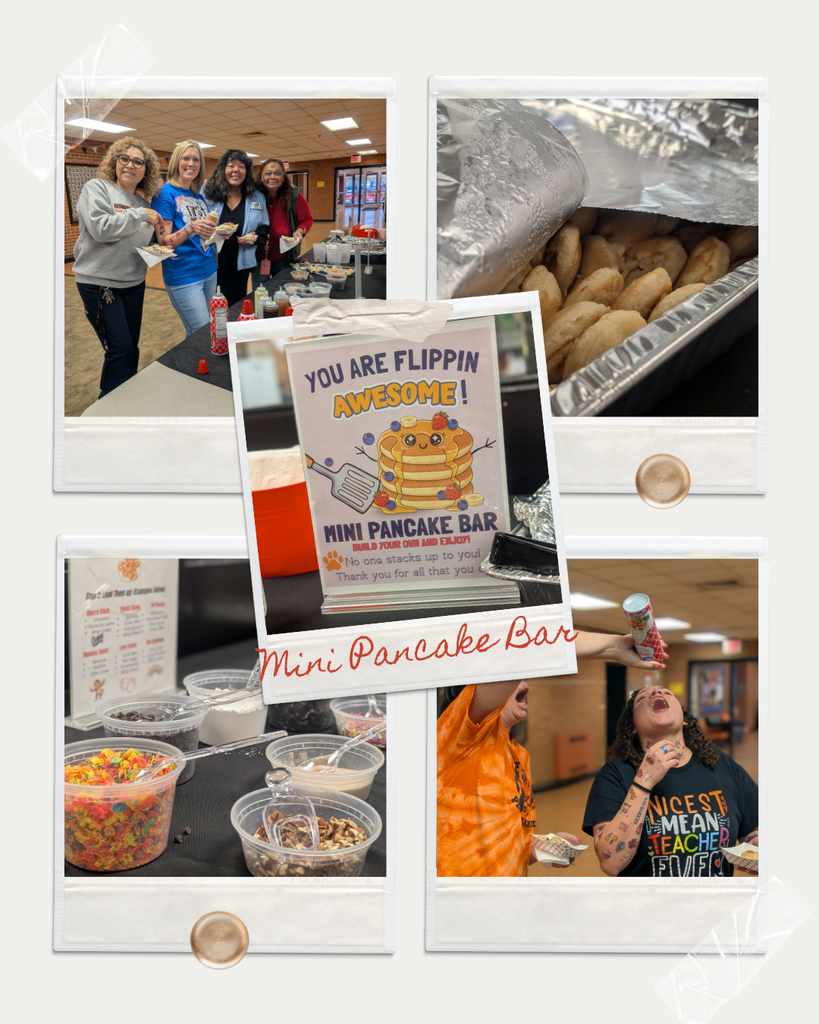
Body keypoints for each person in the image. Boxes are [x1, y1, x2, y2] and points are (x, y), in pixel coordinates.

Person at [437, 631, 669, 877]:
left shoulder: (518, 754)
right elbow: (513, 656)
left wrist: (544, 848)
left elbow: (505, 842)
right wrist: (614, 646)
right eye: (515, 678)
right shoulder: (459, 736)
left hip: (506, 900)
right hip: (460, 899)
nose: (525, 683)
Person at [583, 684, 758, 877]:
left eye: (667, 692)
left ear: (684, 720)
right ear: (632, 726)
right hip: (647, 905)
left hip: (714, 904)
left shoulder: (720, 764)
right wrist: (644, 780)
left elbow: (753, 829)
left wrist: (756, 841)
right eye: (642, 698)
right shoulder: (615, 773)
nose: (657, 692)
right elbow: (611, 863)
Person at [73, 136, 164, 399]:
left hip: (134, 283)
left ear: (146, 171)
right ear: (114, 161)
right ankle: (109, 405)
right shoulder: (97, 188)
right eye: (124, 159)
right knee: (120, 347)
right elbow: (102, 230)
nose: (130, 165)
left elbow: (137, 245)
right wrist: (139, 216)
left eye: (138, 162)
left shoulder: (145, 205)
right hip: (99, 282)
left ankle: (127, 395)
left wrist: (160, 251)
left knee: (131, 346)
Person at [151, 140, 218, 336]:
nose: (191, 163)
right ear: (176, 162)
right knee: (200, 332)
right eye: (186, 158)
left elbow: (201, 235)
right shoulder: (164, 194)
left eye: (196, 159)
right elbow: (164, 242)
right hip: (183, 275)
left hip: (208, 270)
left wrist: (216, 233)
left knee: (205, 330)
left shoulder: (198, 196)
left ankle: (202, 366)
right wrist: (190, 227)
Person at [202, 149, 269, 306]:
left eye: (241, 166)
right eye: (231, 165)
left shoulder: (257, 196)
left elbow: (265, 227)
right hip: (210, 263)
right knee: (212, 307)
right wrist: (216, 231)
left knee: (235, 305)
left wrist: (254, 239)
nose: (236, 170)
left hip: (241, 265)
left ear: (246, 172)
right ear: (223, 169)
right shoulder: (207, 193)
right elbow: (196, 224)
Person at [251, 158, 314, 291]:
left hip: (284, 257)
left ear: (283, 177)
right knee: (260, 293)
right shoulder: (252, 196)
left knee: (283, 294)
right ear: (261, 177)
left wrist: (300, 230)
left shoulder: (293, 196)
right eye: (268, 173)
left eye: (277, 173)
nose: (272, 177)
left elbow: (307, 219)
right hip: (258, 257)